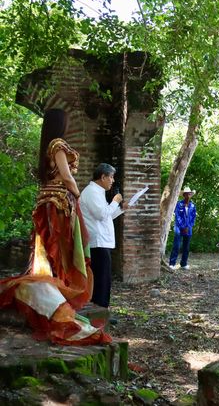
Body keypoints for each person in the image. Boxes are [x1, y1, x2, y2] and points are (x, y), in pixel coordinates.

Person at [0, 110, 111, 344]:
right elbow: (67, 176)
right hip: (58, 202)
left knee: (53, 249)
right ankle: (58, 295)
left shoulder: (47, 146)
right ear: (61, 124)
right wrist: (77, 194)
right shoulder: (57, 144)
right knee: (60, 249)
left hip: (50, 200)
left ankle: (55, 292)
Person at [78, 162, 128, 312]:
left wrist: (120, 209)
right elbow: (101, 215)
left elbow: (106, 215)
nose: (112, 180)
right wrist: (115, 201)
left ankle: (100, 309)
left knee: (103, 276)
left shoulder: (97, 191)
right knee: (102, 277)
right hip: (97, 241)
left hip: (101, 240)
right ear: (103, 176)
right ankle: (99, 310)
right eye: (111, 177)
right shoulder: (92, 192)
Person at [169, 187, 197, 270]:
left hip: (188, 228)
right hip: (179, 227)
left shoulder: (192, 205)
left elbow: (193, 217)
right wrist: (183, 227)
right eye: (186, 194)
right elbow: (177, 216)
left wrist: (189, 226)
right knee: (176, 245)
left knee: (186, 247)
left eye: (189, 194)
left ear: (190, 195)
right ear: (183, 195)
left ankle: (184, 264)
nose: (188, 195)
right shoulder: (178, 204)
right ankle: (172, 263)